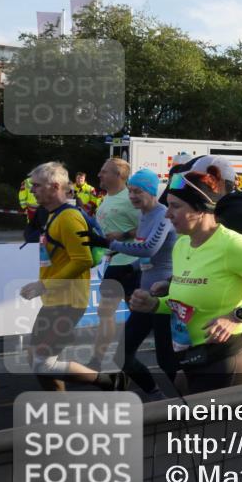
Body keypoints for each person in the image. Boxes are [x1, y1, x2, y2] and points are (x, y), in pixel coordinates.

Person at [129, 166, 242, 393]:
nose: (167, 214)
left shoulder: (233, 244)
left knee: (207, 428)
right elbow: (187, 305)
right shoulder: (182, 244)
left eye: (175, 206)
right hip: (192, 357)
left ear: (201, 208)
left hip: (227, 359)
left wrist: (238, 315)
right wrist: (155, 304)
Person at [20, 162, 127, 392]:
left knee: (43, 362)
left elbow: (83, 260)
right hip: (56, 299)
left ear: (55, 186)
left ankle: (109, 382)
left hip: (68, 301)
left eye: (37, 186)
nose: (33, 191)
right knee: (36, 359)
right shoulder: (53, 215)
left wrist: (43, 284)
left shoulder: (68, 218)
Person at [83, 169, 177, 397]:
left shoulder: (163, 214)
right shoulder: (144, 215)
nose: (132, 196)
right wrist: (131, 267)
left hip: (165, 295)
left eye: (138, 191)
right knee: (122, 354)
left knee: (168, 360)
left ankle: (192, 406)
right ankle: (156, 396)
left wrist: (109, 243)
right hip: (146, 295)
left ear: (152, 192)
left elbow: (149, 248)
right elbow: (148, 257)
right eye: (131, 191)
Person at [92, 157, 140, 368]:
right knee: (108, 312)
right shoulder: (106, 198)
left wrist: (123, 234)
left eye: (104, 171)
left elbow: (149, 227)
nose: (99, 175)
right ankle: (104, 358)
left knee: (135, 313)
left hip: (130, 262)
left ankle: (116, 357)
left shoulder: (129, 198)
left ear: (118, 176)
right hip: (112, 262)